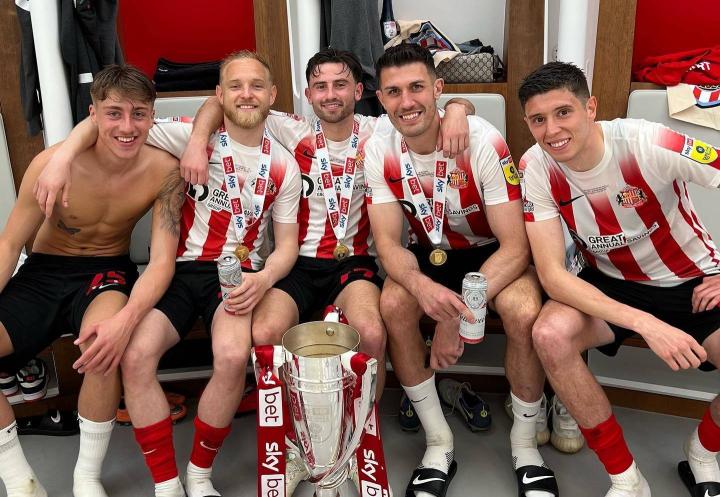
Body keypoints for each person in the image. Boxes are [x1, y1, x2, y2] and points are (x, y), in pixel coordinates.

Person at [179, 46, 474, 495]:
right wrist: (198, 140)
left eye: (340, 84)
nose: (331, 94)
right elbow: (219, 103)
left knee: (371, 333)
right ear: (307, 94)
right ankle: (297, 446)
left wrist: (456, 109)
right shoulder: (287, 127)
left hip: (353, 264)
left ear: (359, 91)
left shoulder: (379, 129)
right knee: (265, 333)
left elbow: (448, 105)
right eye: (320, 86)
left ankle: (355, 443)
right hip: (295, 264)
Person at [35, 51, 302, 497]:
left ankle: (199, 475)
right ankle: (166, 483)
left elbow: (288, 244)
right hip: (177, 271)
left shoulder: (285, 165)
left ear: (272, 95)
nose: (246, 94)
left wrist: (264, 278)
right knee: (136, 357)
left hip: (237, 275)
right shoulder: (185, 136)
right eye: (235, 86)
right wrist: (61, 159)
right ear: (218, 95)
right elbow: (103, 124)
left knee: (232, 356)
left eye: (257, 85)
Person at [364, 43, 557, 497]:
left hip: (491, 253)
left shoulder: (483, 140)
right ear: (381, 98)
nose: (406, 102)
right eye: (393, 92)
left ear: (438, 89)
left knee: (523, 310)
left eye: (416, 87)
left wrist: (456, 316)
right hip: (428, 254)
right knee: (394, 303)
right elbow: (388, 243)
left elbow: (516, 247)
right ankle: (438, 442)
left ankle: (525, 447)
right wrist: (420, 288)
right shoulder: (378, 148)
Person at [519, 61, 720, 497]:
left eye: (563, 112)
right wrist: (646, 324)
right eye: (538, 119)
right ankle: (627, 479)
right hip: (608, 281)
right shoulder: (535, 165)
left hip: (690, 281)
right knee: (550, 335)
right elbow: (552, 275)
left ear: (590, 107)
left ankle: (704, 453)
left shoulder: (649, 142)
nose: (552, 130)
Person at [0, 65, 183, 497]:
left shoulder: (166, 171)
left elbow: (162, 262)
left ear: (152, 116)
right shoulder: (52, 163)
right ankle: (20, 480)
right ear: (93, 114)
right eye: (114, 113)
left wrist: (127, 320)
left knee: (101, 347)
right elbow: (9, 243)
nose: (127, 126)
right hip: (45, 270)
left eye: (139, 114)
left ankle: (86, 475)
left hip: (106, 270)